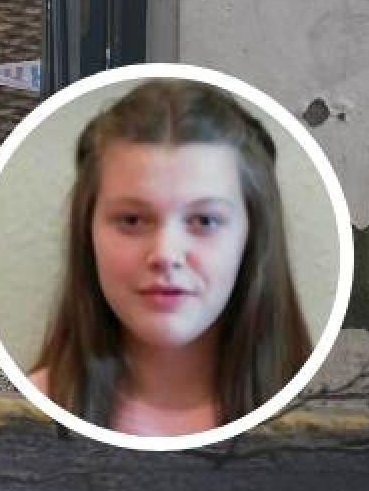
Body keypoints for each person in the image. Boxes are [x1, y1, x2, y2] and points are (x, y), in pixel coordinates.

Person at [27, 79, 311, 436]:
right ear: (88, 233)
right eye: (132, 220)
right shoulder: (23, 411)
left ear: (253, 237)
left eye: (204, 221)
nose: (165, 255)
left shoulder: (332, 412)